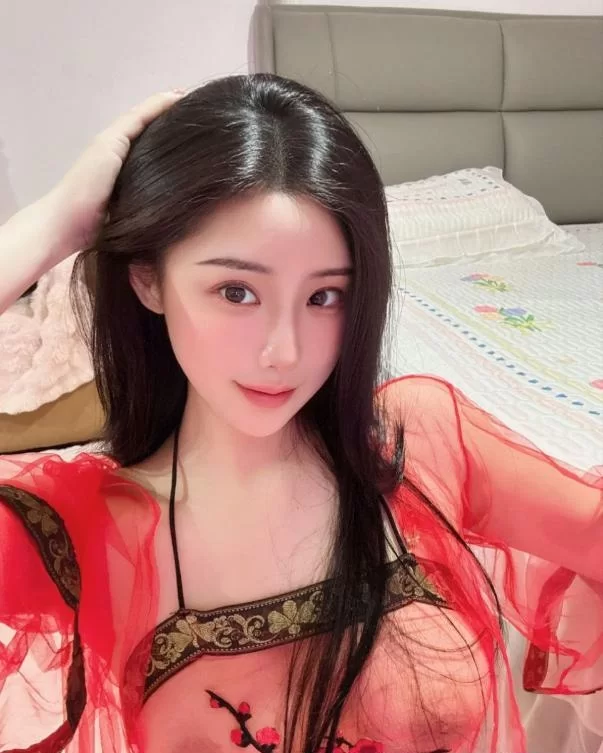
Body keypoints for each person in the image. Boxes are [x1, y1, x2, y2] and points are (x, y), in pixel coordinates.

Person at [0, 74, 600, 753]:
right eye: (236, 291)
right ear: (148, 279)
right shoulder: (88, 532)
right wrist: (52, 224)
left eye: (324, 297)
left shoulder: (415, 446)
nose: (284, 352)